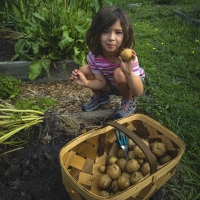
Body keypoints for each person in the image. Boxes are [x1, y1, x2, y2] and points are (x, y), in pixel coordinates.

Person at [70, 6, 145, 119]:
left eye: (118, 32)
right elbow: (101, 83)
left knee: (119, 73)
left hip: (130, 84)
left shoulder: (129, 57)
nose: (111, 38)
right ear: (97, 34)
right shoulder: (93, 56)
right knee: (84, 70)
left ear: (125, 35)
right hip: (109, 84)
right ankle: (100, 97)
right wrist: (86, 82)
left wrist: (129, 73)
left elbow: (138, 92)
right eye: (105, 31)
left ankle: (128, 101)